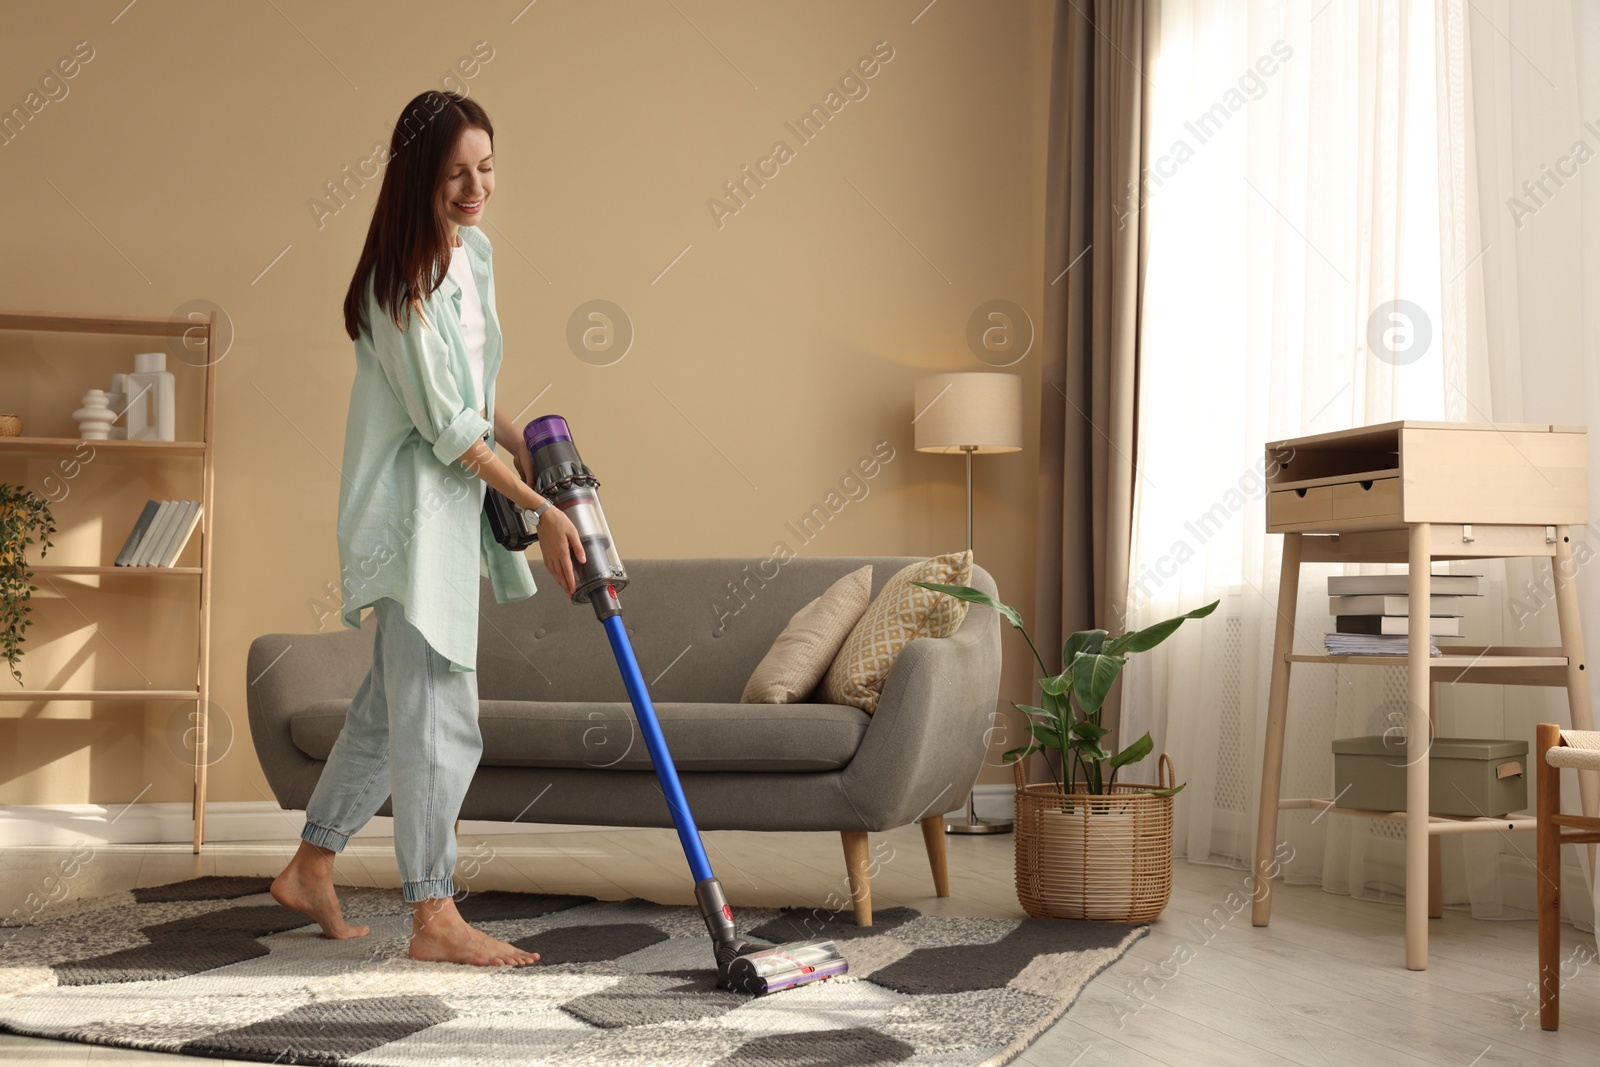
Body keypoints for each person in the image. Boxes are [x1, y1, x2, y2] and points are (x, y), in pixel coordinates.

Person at [270, 90, 584, 967]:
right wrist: (541, 508)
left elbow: (475, 398)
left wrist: (536, 442)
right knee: (441, 711)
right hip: (410, 522)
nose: (476, 188)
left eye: (486, 168)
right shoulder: (395, 285)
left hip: (449, 519)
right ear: (419, 177)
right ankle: (434, 915)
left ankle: (310, 864)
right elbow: (448, 429)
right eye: (456, 174)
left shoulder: (470, 255)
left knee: (386, 709)